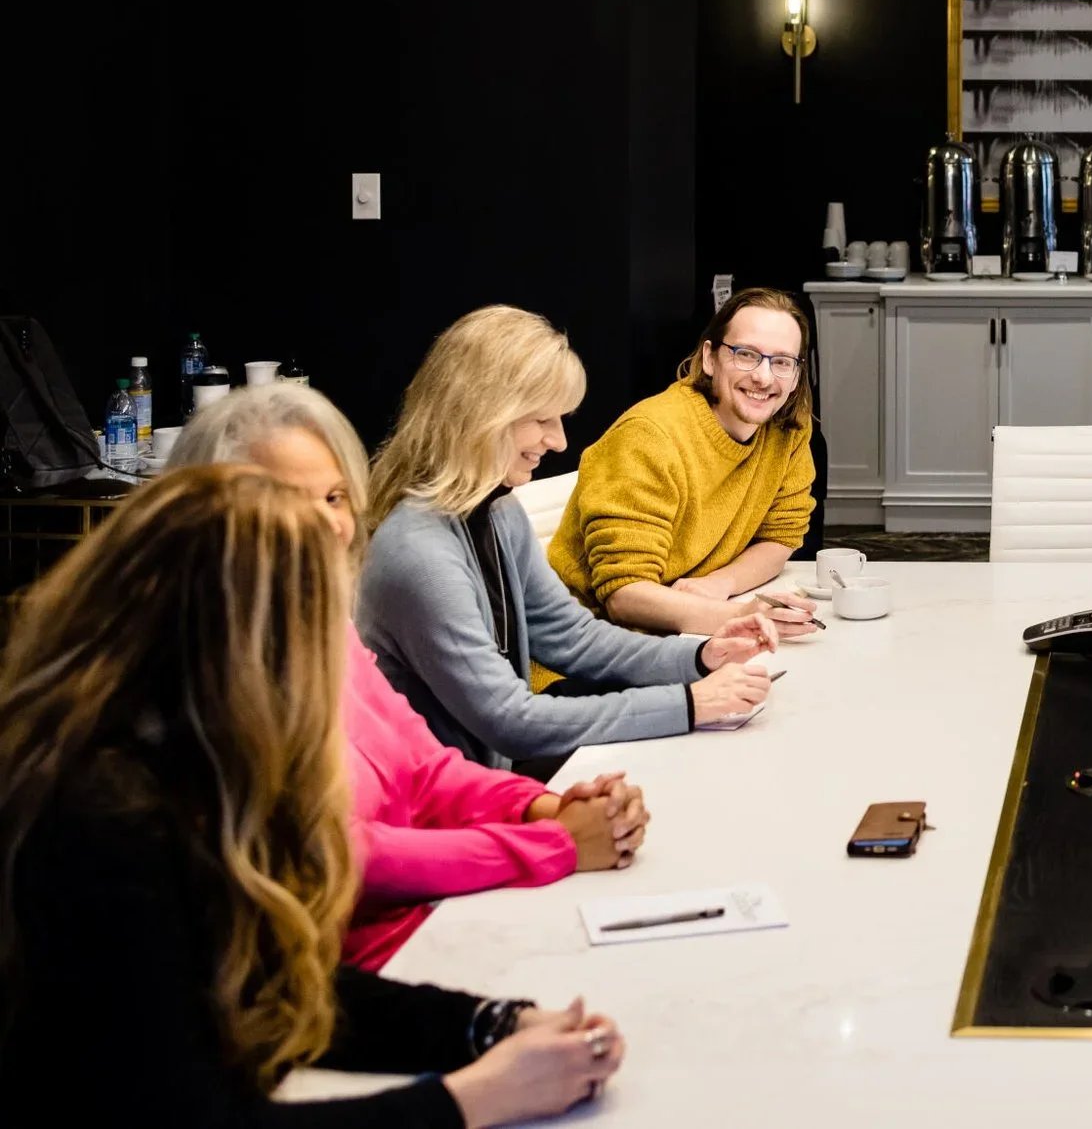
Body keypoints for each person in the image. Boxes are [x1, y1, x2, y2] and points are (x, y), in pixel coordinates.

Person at [0, 467, 627, 1124]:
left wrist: (490, 1025)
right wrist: (475, 1096)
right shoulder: (103, 821)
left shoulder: (166, 764)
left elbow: (271, 986)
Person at [171, 384, 651, 968]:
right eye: (287, 501)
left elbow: (425, 772)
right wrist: (554, 843)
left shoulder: (324, 629)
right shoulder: (203, 669)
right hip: (324, 986)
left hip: (424, 928)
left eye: (335, 496)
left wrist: (545, 808)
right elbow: (337, 854)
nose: (328, 524)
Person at [361, 306, 778, 770]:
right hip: (442, 814)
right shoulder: (419, 553)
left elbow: (573, 638)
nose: (559, 440)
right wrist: (690, 703)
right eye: (542, 419)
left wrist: (701, 655)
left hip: (486, 785)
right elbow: (510, 720)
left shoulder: (496, 510)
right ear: (482, 416)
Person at [548, 288, 819, 639]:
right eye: (746, 354)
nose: (764, 378)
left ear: (797, 375)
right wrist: (742, 616)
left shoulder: (789, 428)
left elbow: (781, 537)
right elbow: (624, 595)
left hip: (687, 629)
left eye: (782, 362)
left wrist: (719, 584)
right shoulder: (649, 436)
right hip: (588, 647)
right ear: (710, 358)